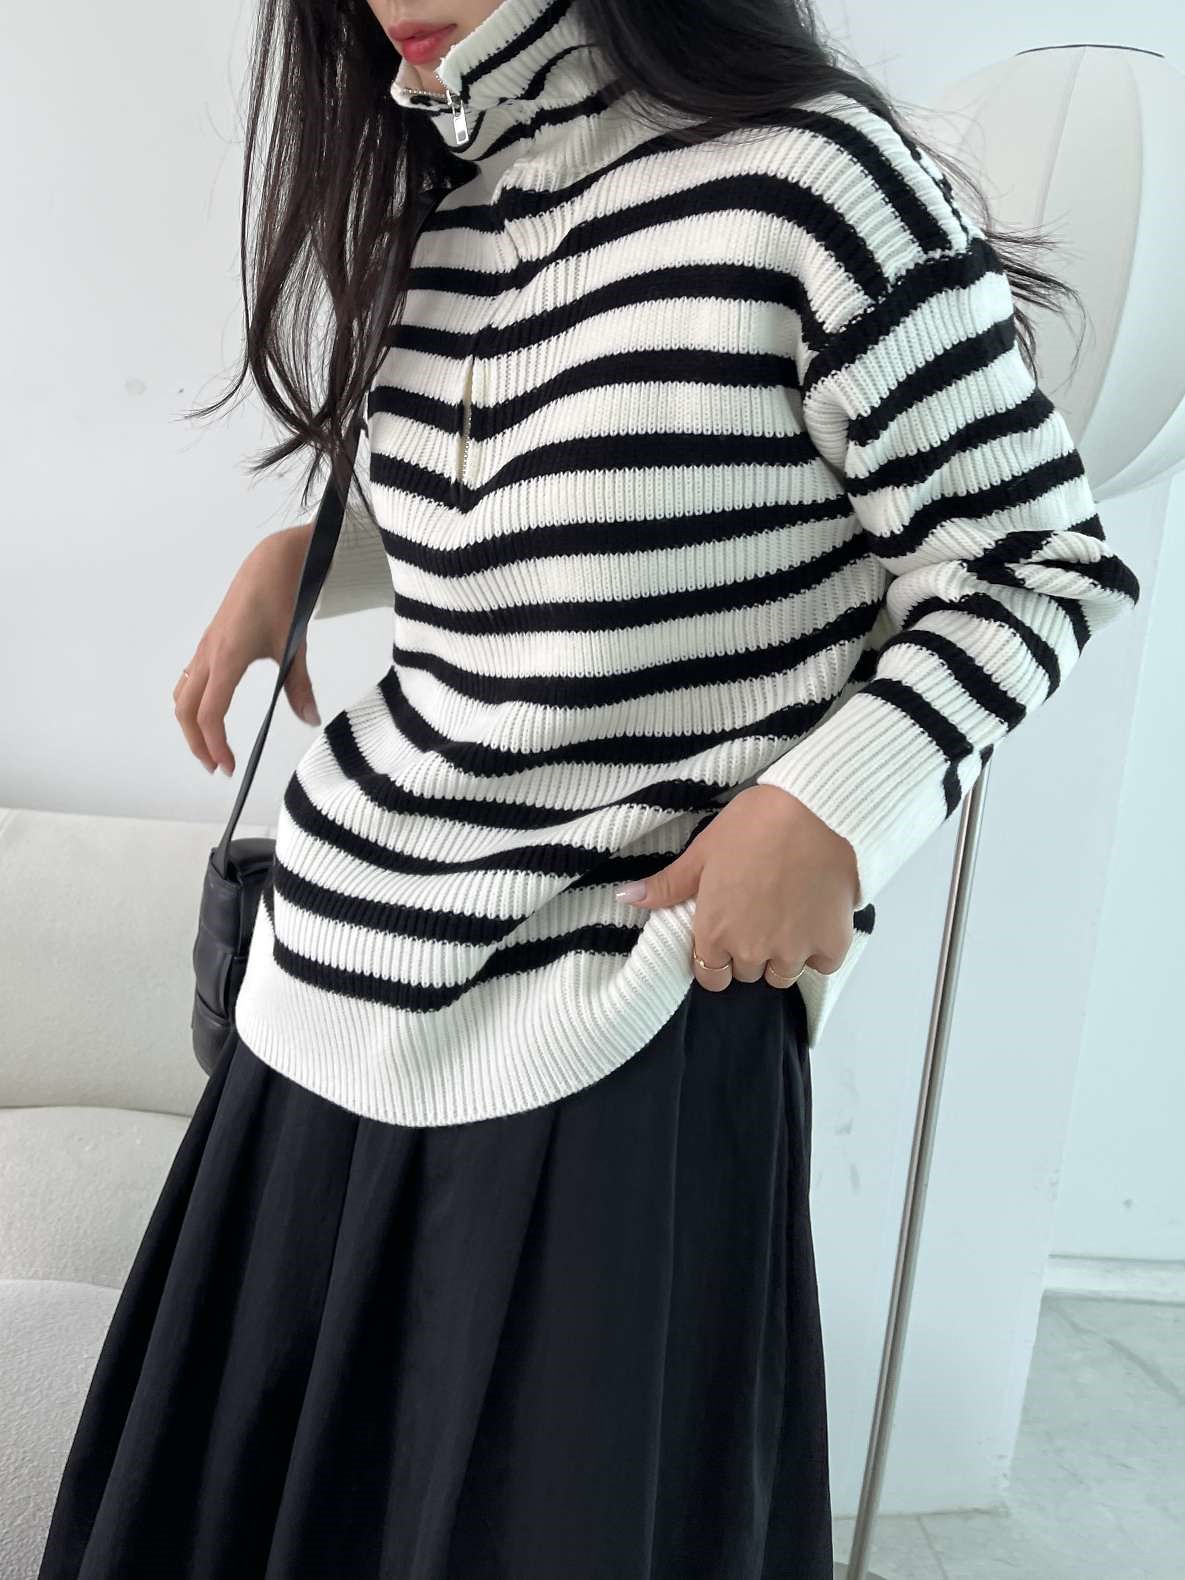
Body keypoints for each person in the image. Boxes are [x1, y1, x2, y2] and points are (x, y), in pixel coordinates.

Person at [36, 1, 1141, 1576]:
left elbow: (1030, 559)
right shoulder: (451, 203)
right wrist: (314, 557)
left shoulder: (812, 181)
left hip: (611, 1023)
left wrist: (830, 810)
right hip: (322, 1004)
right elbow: (562, 509)